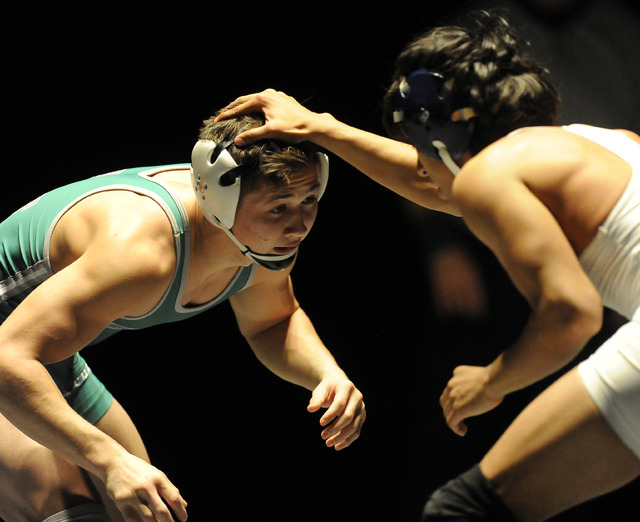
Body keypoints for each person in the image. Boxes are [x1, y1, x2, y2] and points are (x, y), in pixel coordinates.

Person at [215, 9, 640, 520]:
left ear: (440, 139)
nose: (421, 169)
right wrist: (324, 129)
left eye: (418, 148)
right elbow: (432, 182)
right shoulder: (596, 142)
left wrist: (491, 382)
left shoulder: (489, 177)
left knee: (463, 510)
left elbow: (572, 312)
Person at [0, 111, 366, 522]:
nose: (299, 224)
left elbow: (272, 321)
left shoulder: (260, 244)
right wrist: (107, 460)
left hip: (37, 352)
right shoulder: (141, 252)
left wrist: (326, 374)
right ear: (221, 197)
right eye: (279, 207)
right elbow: (7, 359)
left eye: (309, 200)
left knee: (149, 510)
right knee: (70, 510)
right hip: (12, 354)